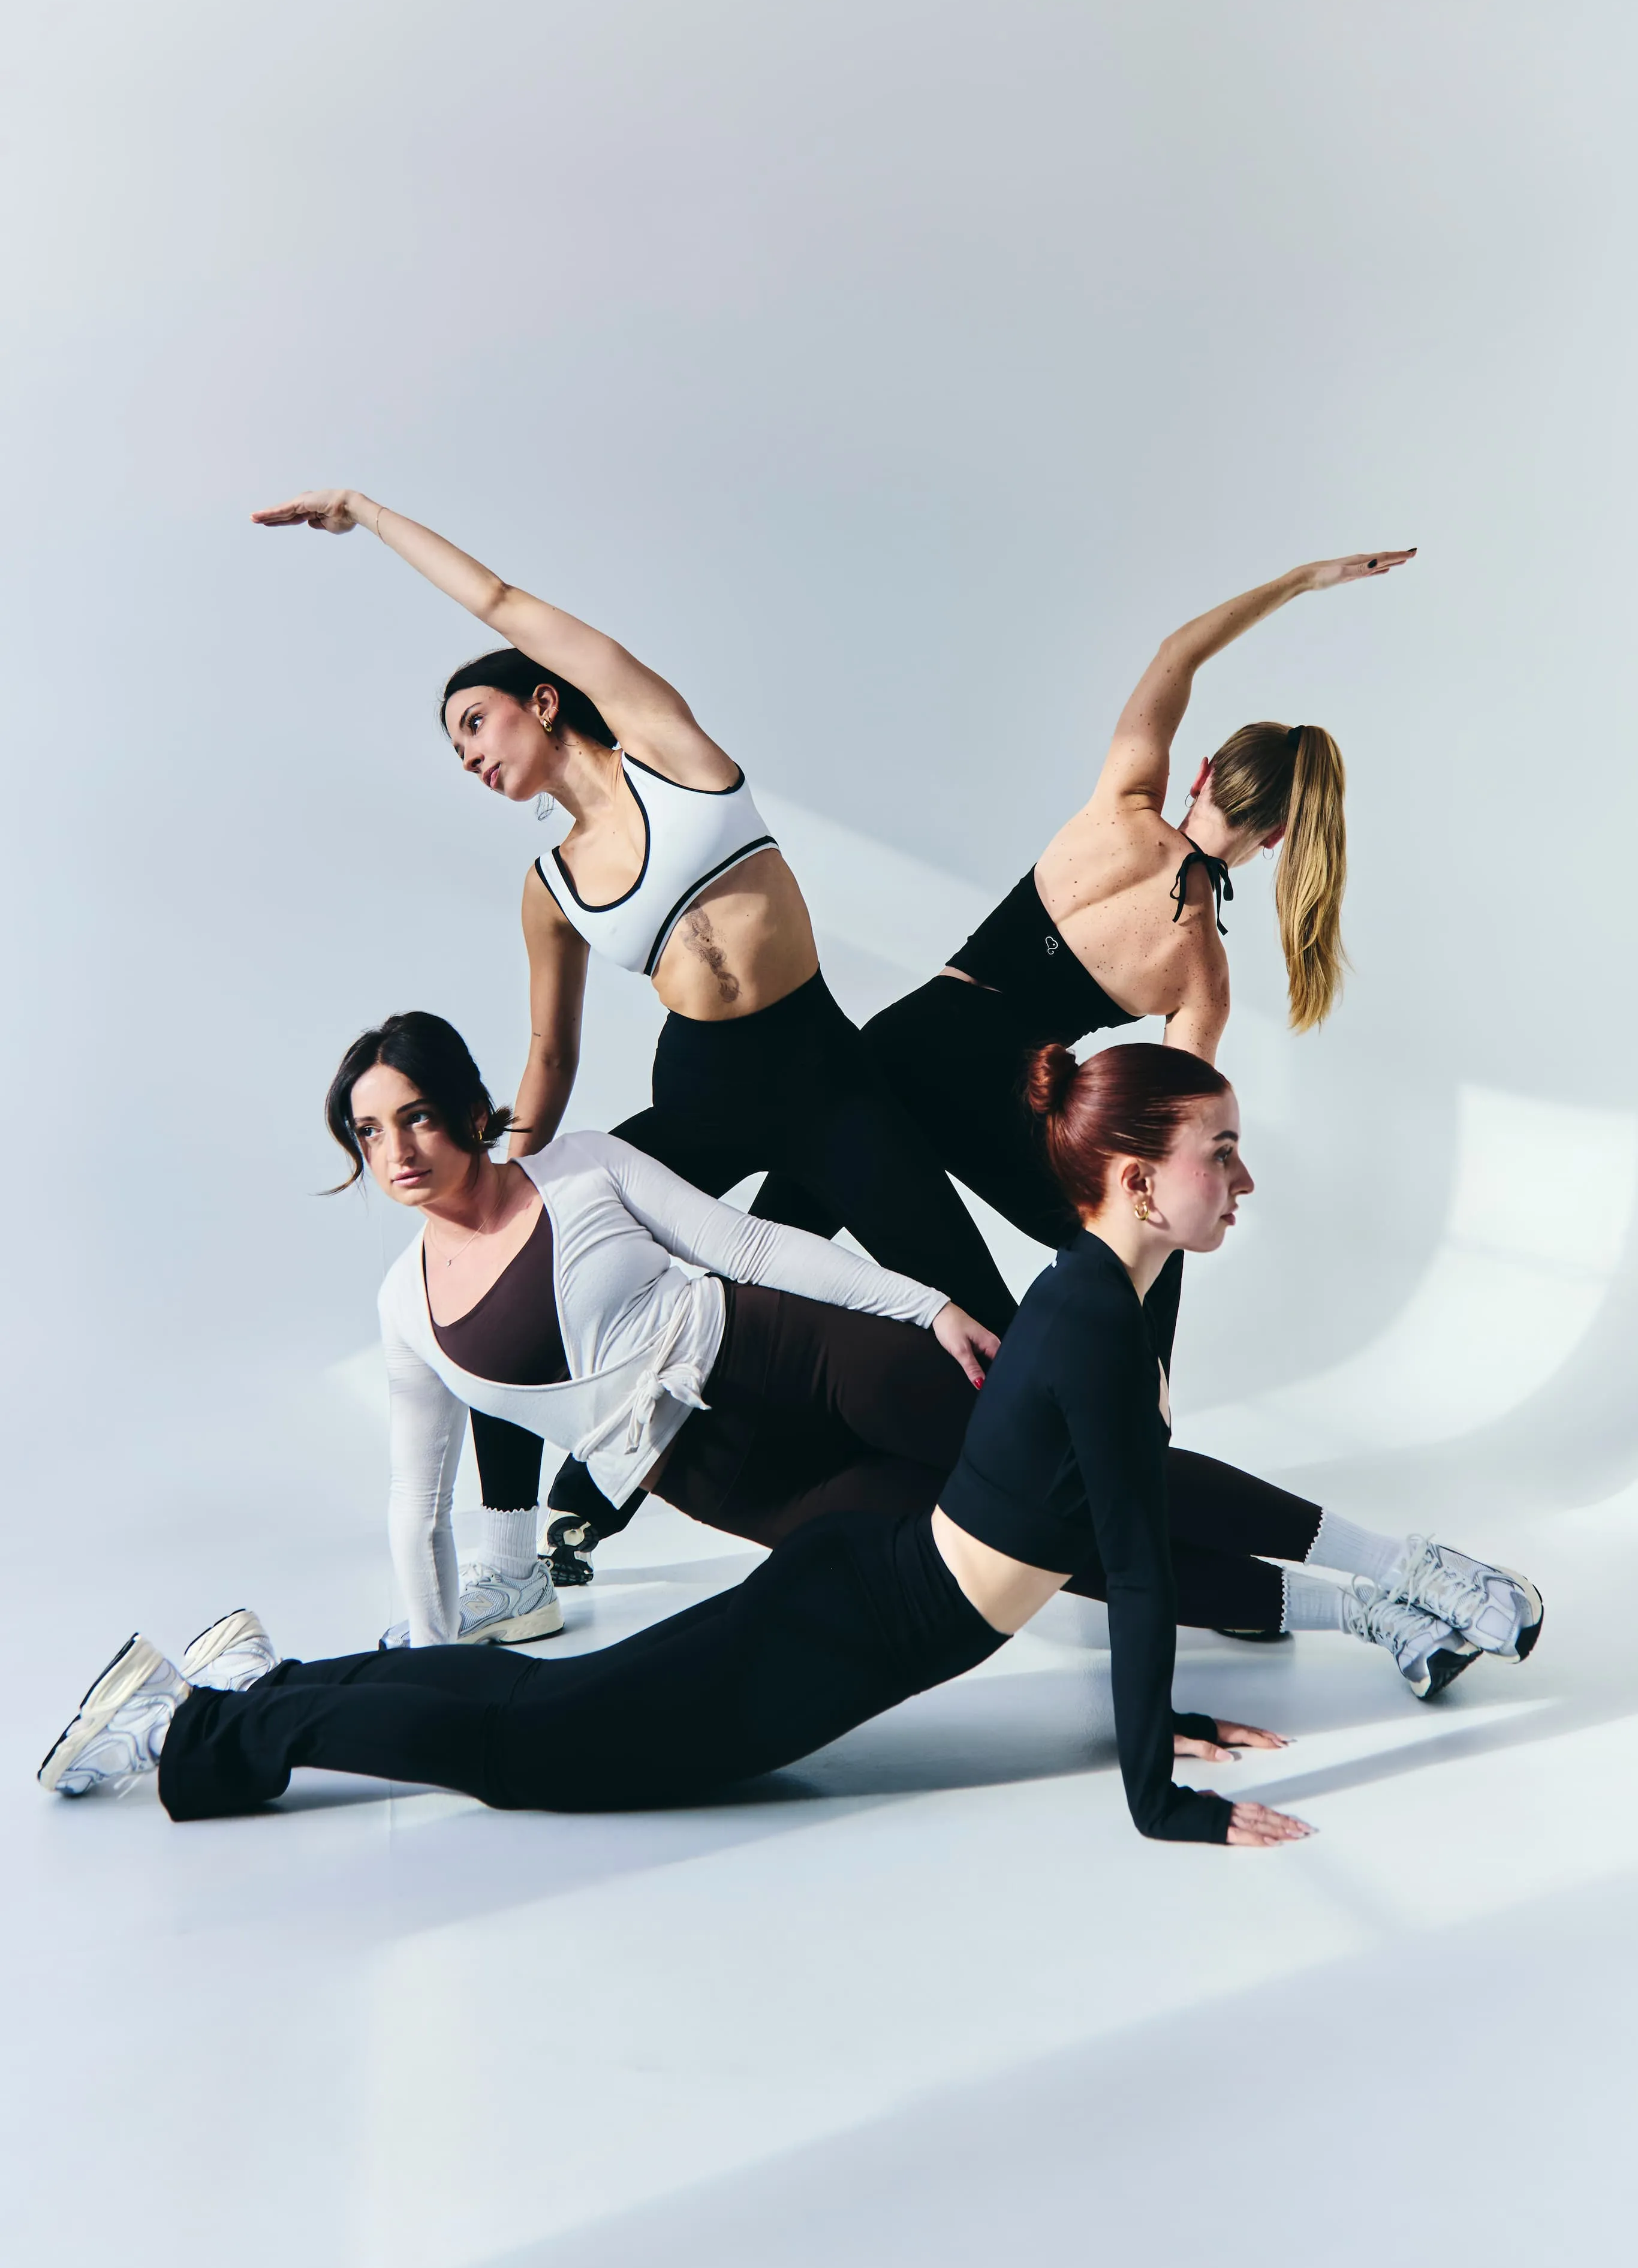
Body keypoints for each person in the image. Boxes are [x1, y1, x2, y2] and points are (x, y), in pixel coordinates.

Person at [40, 1048, 1540, 1842]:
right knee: (524, 1736)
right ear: (1144, 1183)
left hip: (824, 1473)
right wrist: (1159, 1786)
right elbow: (1133, 1571)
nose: (1245, 1180)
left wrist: (1159, 1732)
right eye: (1223, 1155)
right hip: (818, 1569)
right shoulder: (1087, 1320)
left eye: (420, 1114)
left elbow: (1118, 1545)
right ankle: (207, 1720)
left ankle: (243, 1697)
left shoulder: (1082, 1305)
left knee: (535, 1722)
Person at [251, 486, 1019, 1552]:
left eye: (477, 723)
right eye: (456, 750)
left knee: (973, 1308)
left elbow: (501, 598)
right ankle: (516, 1544)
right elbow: (550, 1048)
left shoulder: (666, 750)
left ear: (547, 701)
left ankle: (1119, 1498)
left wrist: (367, 517)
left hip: (823, 1075)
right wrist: (500, 1170)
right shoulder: (547, 883)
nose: (470, 754)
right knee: (520, 1266)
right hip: (701, 1089)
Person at [755, 550, 1414, 1261]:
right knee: (1109, 1252)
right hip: (1003, 1106)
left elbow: (1179, 653)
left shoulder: (1121, 803)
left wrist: (1299, 581)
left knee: (762, 1248)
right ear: (1279, 836)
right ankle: (1122, 1372)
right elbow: (1167, 1137)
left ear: (1202, 773)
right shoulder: (1202, 975)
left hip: (908, 1038)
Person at [323, 1010, 998, 1649]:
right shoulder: (405, 1304)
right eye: (371, 1131)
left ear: (471, 1112)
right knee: (990, 1542)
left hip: (800, 1353)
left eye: (416, 1118)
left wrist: (926, 1307)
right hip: (729, 1482)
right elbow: (419, 1501)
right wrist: (433, 1661)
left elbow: (750, 1248)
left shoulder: (580, 1166)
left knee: (1043, 1462)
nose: (397, 1150)